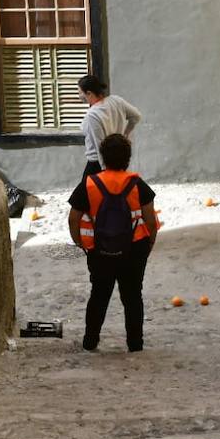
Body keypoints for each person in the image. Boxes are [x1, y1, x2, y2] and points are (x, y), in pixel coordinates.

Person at [68, 134, 158, 352]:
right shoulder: (137, 185)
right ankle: (135, 344)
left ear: (103, 157)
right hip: (134, 249)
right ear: (127, 159)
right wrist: (148, 245)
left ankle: (90, 341)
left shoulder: (89, 184)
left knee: (99, 294)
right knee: (133, 296)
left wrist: (80, 243)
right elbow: (150, 219)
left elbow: (73, 218)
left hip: (100, 251)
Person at [78, 74, 142, 181]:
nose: (79, 96)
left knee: (83, 196)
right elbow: (136, 116)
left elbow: (99, 145)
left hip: (97, 163)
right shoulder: (116, 101)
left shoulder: (92, 115)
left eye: (80, 92)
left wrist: (105, 171)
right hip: (117, 159)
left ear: (89, 93)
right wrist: (125, 135)